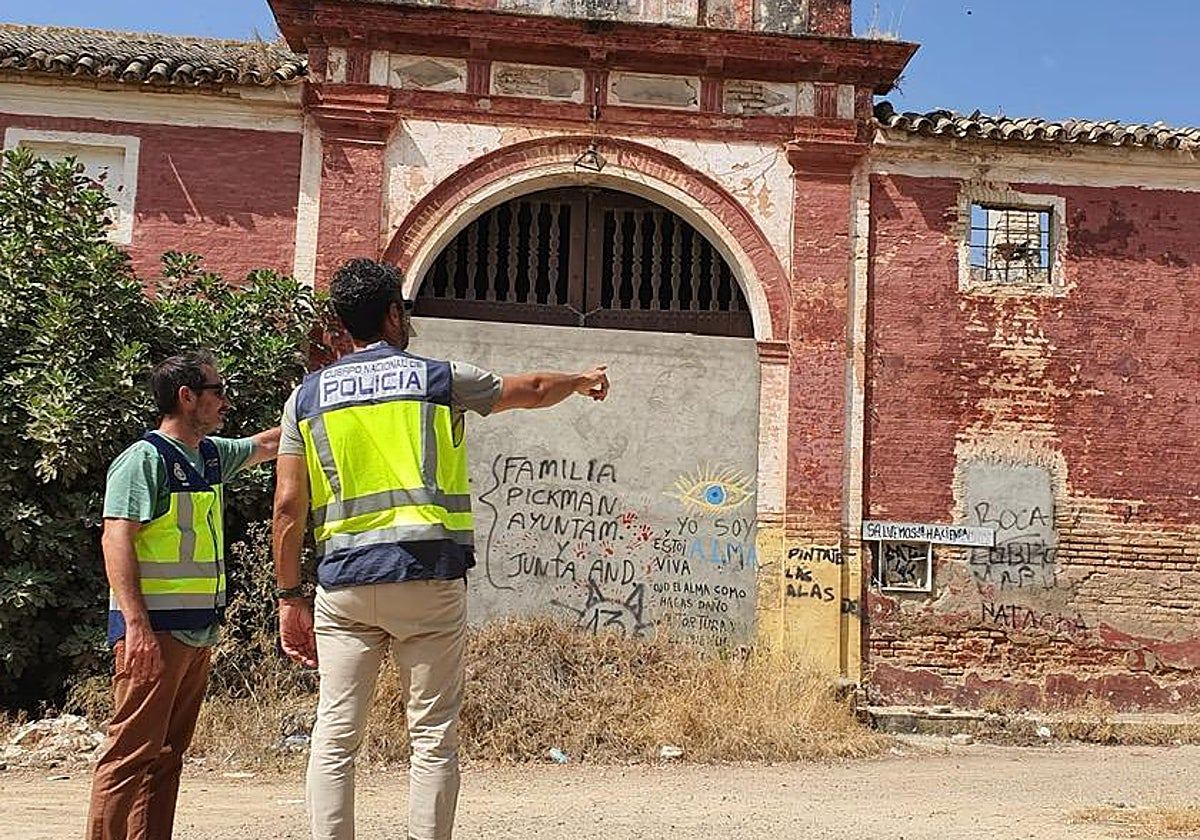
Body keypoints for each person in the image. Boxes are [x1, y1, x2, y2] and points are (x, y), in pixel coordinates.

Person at [272, 258, 609, 840]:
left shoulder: (306, 399)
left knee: (334, 736)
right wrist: (579, 379)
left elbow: (286, 508)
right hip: (427, 577)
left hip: (345, 585)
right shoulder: (437, 379)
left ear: (341, 323)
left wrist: (288, 597)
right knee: (431, 736)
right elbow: (526, 390)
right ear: (394, 315)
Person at [87, 352, 280, 840]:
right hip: (154, 635)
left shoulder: (211, 455)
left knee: (167, 757)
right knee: (129, 756)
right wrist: (136, 628)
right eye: (218, 391)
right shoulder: (143, 461)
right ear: (186, 397)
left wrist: (318, 406)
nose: (227, 402)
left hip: (196, 634)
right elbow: (115, 540)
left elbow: (270, 443)